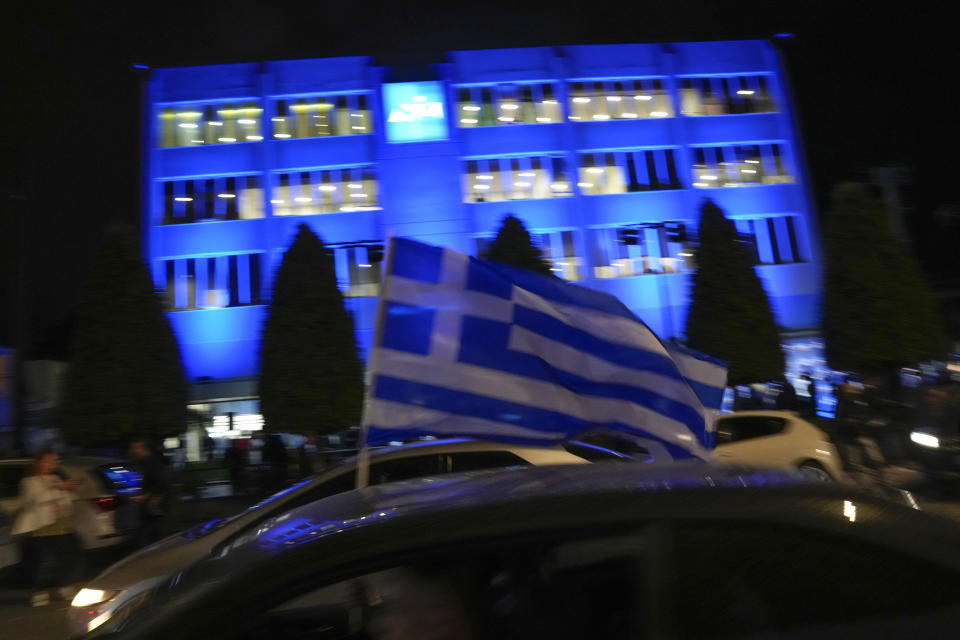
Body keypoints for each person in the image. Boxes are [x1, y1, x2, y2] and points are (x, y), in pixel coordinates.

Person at [12, 449, 82, 607]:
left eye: (55, 460)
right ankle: (38, 592)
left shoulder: (55, 478)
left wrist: (67, 493)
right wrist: (59, 489)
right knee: (40, 560)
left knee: (65, 557)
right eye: (50, 460)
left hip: (60, 524)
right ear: (39, 462)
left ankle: (64, 587)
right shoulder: (28, 481)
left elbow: (66, 498)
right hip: (40, 526)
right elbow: (35, 499)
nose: (54, 463)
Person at [130, 439, 172, 546]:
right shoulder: (145, 462)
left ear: (144, 449)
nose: (134, 451)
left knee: (150, 537)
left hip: (154, 507)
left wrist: (145, 496)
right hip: (150, 508)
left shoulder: (154, 463)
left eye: (136, 448)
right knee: (150, 536)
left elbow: (161, 483)